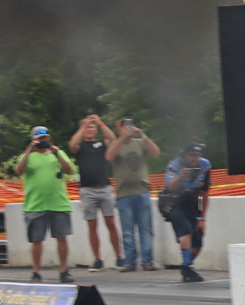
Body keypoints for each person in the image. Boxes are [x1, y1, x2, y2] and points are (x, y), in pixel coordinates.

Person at [14, 126, 76, 283]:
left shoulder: (57, 153)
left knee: (62, 237)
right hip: (36, 204)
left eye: (45, 138)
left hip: (58, 203)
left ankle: (63, 270)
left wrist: (56, 152)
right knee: (36, 240)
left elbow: (69, 170)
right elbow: (19, 171)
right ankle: (36, 271)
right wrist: (30, 150)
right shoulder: (28, 156)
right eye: (40, 139)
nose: (43, 141)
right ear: (33, 140)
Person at [68, 113, 119, 270]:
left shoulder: (101, 143)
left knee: (111, 222)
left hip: (104, 187)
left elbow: (113, 140)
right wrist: (83, 125)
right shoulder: (81, 146)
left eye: (92, 127)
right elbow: (72, 146)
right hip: (87, 189)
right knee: (92, 225)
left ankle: (119, 256)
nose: (89, 129)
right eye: (87, 127)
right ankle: (97, 258)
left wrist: (101, 123)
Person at [109, 117, 160, 271]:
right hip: (124, 193)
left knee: (145, 229)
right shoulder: (114, 145)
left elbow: (155, 153)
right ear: (119, 129)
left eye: (129, 126)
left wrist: (142, 135)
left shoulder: (139, 143)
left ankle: (148, 261)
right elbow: (109, 157)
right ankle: (130, 262)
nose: (127, 129)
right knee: (127, 231)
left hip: (142, 191)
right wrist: (121, 139)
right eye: (124, 127)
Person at [162, 141, 212, 282]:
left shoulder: (205, 165)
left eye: (197, 155)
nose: (194, 159)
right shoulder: (174, 166)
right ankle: (188, 267)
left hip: (192, 202)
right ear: (184, 156)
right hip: (174, 202)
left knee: (198, 242)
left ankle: (186, 266)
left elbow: (206, 192)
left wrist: (203, 218)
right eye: (191, 155)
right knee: (186, 232)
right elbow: (169, 187)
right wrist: (180, 177)